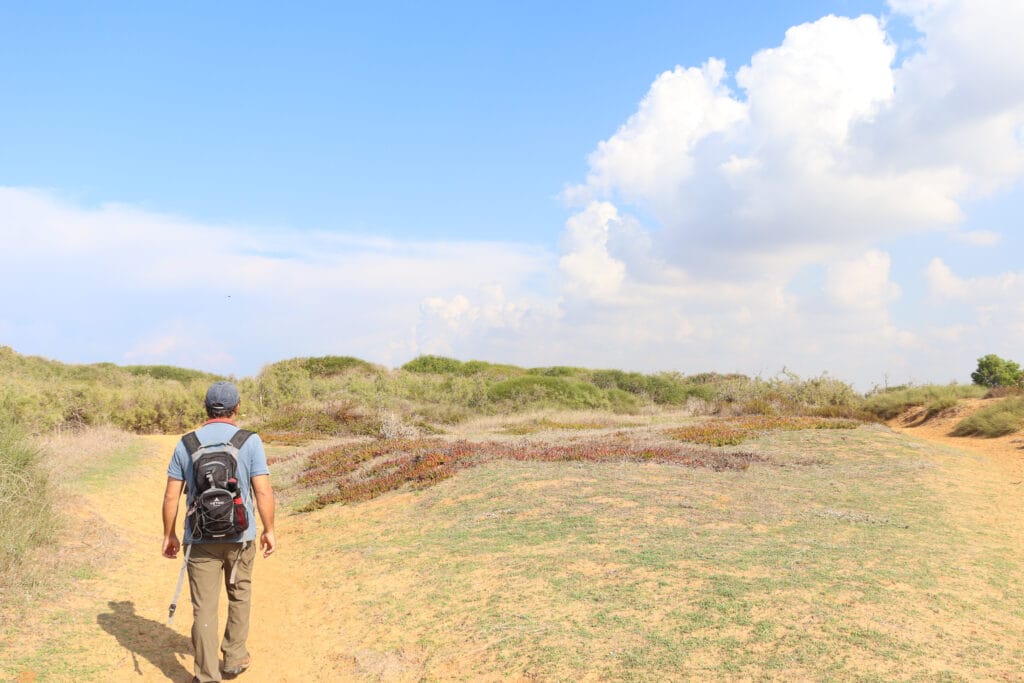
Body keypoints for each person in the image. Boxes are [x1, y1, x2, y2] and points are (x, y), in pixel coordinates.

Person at [161, 381, 276, 683]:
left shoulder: (186, 443)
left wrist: (169, 534)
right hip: (240, 536)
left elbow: (172, 496)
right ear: (237, 408)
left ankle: (206, 675)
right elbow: (263, 492)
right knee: (239, 594)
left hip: (199, 540)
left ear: (206, 408)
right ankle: (234, 658)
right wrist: (269, 529)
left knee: (204, 608)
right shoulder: (249, 441)